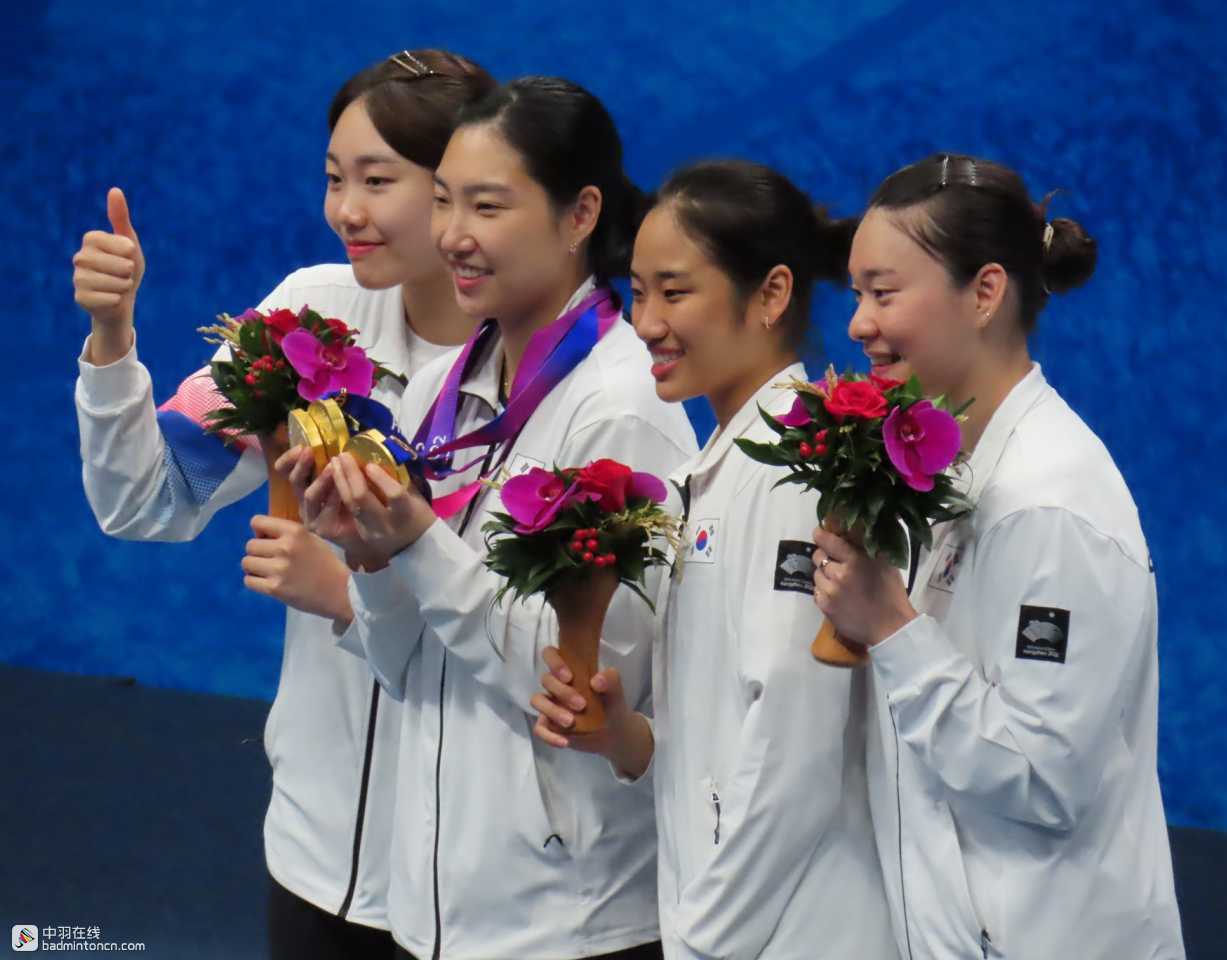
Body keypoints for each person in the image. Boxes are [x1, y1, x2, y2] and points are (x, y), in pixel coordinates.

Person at [71, 49, 496, 959]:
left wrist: (344, 595)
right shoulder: (307, 317)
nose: (346, 210)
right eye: (335, 178)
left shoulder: (549, 365)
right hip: (312, 847)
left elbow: (534, 644)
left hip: (479, 876)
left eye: (377, 180)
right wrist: (112, 338)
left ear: (459, 188)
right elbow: (147, 498)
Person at [289, 76, 696, 959]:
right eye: (443, 201)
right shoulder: (445, 389)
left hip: (564, 922)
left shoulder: (622, 410)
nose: (453, 235)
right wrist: (372, 559)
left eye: (486, 205)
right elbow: (401, 666)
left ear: (580, 213)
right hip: (436, 909)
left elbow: (584, 689)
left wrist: (418, 543)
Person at [810, 152, 1185, 959]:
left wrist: (892, 630)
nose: (858, 325)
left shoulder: (1049, 502)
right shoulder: (957, 469)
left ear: (984, 292)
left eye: (884, 293)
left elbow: (1041, 779)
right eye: (855, 294)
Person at [529, 159, 898, 959]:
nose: (645, 323)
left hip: (783, 934)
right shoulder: (723, 466)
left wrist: (704, 944)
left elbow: (796, 748)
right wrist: (627, 738)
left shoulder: (800, 474)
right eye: (637, 293)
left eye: (675, 292)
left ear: (771, 294)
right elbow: (721, 738)